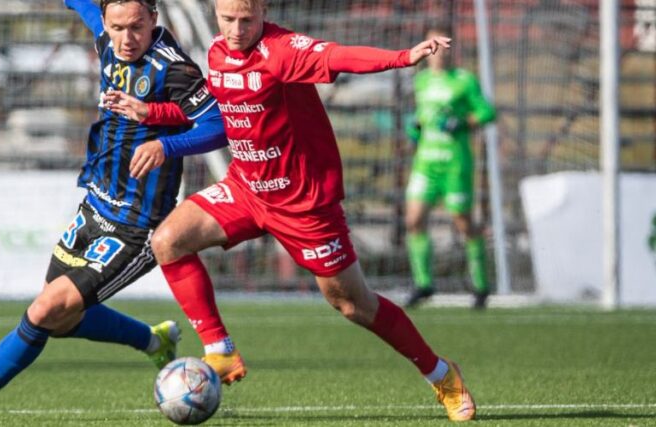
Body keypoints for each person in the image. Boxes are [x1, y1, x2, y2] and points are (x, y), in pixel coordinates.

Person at [147, 0, 477, 421]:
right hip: (246, 189)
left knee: (353, 304)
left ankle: (442, 374)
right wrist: (152, 112)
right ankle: (220, 349)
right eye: (228, 19)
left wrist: (402, 57)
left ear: (263, 10)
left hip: (304, 206)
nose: (236, 29)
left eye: (247, 19)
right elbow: (219, 104)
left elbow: (339, 55)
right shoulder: (217, 51)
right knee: (168, 241)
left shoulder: (283, 50)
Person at [0, 0, 228, 421]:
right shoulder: (106, 37)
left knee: (45, 310)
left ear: (153, 19)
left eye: (136, 27)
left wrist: (166, 144)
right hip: (96, 203)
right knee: (62, 319)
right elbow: (84, 7)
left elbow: (219, 125)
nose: (126, 39)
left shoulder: (173, 67)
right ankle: (153, 341)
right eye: (117, 27)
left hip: (138, 224)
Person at [404, 26, 497, 310]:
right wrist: (415, 128)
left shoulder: (464, 81)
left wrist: (463, 122)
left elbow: (487, 112)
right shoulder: (421, 81)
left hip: (455, 164)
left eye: (443, 47)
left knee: (463, 222)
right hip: (426, 162)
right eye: (433, 46)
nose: (438, 53)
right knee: (414, 220)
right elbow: (422, 116)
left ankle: (481, 285)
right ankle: (424, 284)